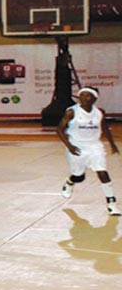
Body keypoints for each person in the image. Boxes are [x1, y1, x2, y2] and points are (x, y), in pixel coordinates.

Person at [56, 87, 121, 216]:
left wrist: (112, 144)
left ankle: (111, 203)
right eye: (82, 95)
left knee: (102, 172)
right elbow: (59, 129)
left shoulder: (99, 112)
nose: (84, 98)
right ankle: (70, 182)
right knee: (79, 177)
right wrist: (69, 146)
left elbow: (104, 128)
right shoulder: (71, 112)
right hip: (77, 146)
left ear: (94, 99)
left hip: (94, 146)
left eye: (87, 96)